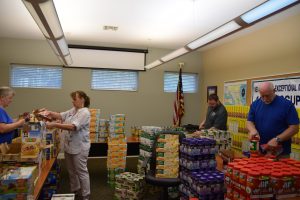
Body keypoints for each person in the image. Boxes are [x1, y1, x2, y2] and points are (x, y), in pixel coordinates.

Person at [44, 91, 91, 200]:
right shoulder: (74, 110)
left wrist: (55, 124)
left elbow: (73, 127)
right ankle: (75, 190)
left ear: (82, 99)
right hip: (69, 146)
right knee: (71, 170)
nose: (72, 101)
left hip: (80, 147)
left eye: (75, 99)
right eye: (73, 99)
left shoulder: (85, 112)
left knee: (81, 171)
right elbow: (61, 115)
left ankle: (86, 195)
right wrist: (49, 112)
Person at [247, 81, 299, 157]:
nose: (264, 99)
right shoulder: (255, 104)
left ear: (274, 91)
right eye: (262, 96)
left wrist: (277, 139)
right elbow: (249, 121)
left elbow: (294, 128)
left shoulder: (287, 105)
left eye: (267, 96)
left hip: (279, 154)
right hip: (258, 151)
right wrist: (252, 130)